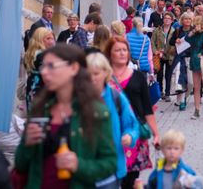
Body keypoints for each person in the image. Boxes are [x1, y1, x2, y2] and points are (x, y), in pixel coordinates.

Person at [15, 44, 117, 188]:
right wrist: (27, 144)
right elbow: (20, 164)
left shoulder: (96, 112)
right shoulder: (40, 108)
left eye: (51, 66)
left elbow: (110, 163)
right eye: (43, 66)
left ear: (74, 68)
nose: (44, 72)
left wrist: (79, 165)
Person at [105, 37, 159, 189]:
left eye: (125, 50)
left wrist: (156, 134)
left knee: (130, 179)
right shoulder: (103, 77)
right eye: (117, 50)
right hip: (111, 134)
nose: (122, 53)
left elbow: (147, 108)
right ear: (110, 54)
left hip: (134, 134)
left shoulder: (138, 77)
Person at [87, 52, 140, 189]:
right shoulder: (79, 100)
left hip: (112, 167)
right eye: (88, 74)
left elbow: (132, 125)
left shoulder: (116, 97)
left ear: (105, 73)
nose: (92, 78)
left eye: (96, 73)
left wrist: (129, 136)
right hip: (85, 168)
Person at [24, 27, 56, 112]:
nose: (51, 41)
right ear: (39, 39)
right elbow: (47, 77)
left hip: (32, 88)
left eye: (52, 38)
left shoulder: (30, 53)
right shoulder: (43, 55)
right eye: (48, 38)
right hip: (42, 90)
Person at [169, 12, 193, 111]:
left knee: (191, 83)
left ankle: (184, 97)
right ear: (182, 20)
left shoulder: (193, 30)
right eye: (185, 19)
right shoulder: (178, 31)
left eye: (189, 19)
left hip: (190, 57)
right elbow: (170, 42)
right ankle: (182, 100)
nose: (187, 21)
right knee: (180, 80)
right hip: (179, 57)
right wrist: (176, 40)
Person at [152, 13, 176, 102]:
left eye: (169, 19)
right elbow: (152, 42)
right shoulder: (157, 30)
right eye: (165, 18)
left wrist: (171, 52)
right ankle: (160, 92)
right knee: (159, 75)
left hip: (169, 56)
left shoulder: (174, 31)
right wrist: (156, 52)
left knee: (168, 75)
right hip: (159, 56)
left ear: (172, 21)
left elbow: (175, 45)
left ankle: (167, 93)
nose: (166, 20)